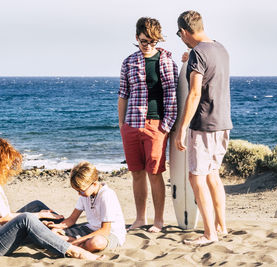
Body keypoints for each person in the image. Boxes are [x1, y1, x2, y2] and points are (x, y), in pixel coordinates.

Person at [0, 138, 101, 260]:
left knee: (36, 205)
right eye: (6, 164)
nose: (9, 167)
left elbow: (1, 216)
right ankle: (73, 250)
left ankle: (72, 233)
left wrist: (39, 214)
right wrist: (38, 216)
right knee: (27, 218)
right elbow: (4, 219)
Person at [175, 10, 233, 245]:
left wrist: (182, 127)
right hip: (223, 123)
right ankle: (222, 227)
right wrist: (189, 60)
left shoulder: (198, 53)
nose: (182, 39)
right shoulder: (220, 48)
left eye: (180, 35)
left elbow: (195, 93)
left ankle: (209, 234)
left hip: (203, 125)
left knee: (196, 178)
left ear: (185, 31)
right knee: (213, 176)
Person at [118, 17, 178, 233]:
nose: (148, 45)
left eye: (152, 42)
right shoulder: (128, 62)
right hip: (131, 124)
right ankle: (140, 218)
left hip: (156, 124)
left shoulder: (167, 62)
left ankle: (158, 220)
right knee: (136, 173)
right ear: (137, 38)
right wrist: (122, 124)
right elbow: (123, 94)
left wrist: (167, 126)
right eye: (144, 41)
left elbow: (172, 95)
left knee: (154, 173)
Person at [46, 161, 126, 252]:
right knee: (54, 233)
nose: (79, 194)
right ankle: (76, 244)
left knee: (95, 242)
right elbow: (72, 219)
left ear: (94, 184)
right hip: (90, 229)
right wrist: (57, 226)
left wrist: (79, 240)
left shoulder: (106, 195)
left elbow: (105, 230)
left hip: (111, 234)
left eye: (81, 191)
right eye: (77, 191)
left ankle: (74, 246)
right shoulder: (85, 195)